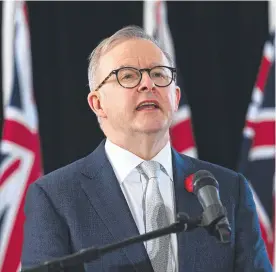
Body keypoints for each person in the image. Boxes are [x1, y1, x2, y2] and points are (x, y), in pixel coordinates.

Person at [21, 25, 272, 272]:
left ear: (175, 97)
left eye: (159, 74)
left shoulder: (228, 189)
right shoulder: (55, 198)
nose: (148, 84)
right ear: (98, 104)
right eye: (128, 75)